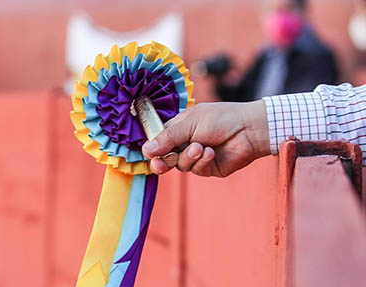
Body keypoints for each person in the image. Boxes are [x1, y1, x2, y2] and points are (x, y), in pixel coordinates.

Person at [141, 83, 366, 178]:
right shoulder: (267, 55)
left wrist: (251, 124)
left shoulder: (315, 53)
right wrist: (249, 126)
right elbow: (242, 90)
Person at [199, 0, 338, 102]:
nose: (278, 17)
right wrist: (221, 80)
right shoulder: (266, 55)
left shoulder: (318, 56)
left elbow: (304, 100)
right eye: (271, 10)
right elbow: (243, 99)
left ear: (302, 12)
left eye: (286, 9)